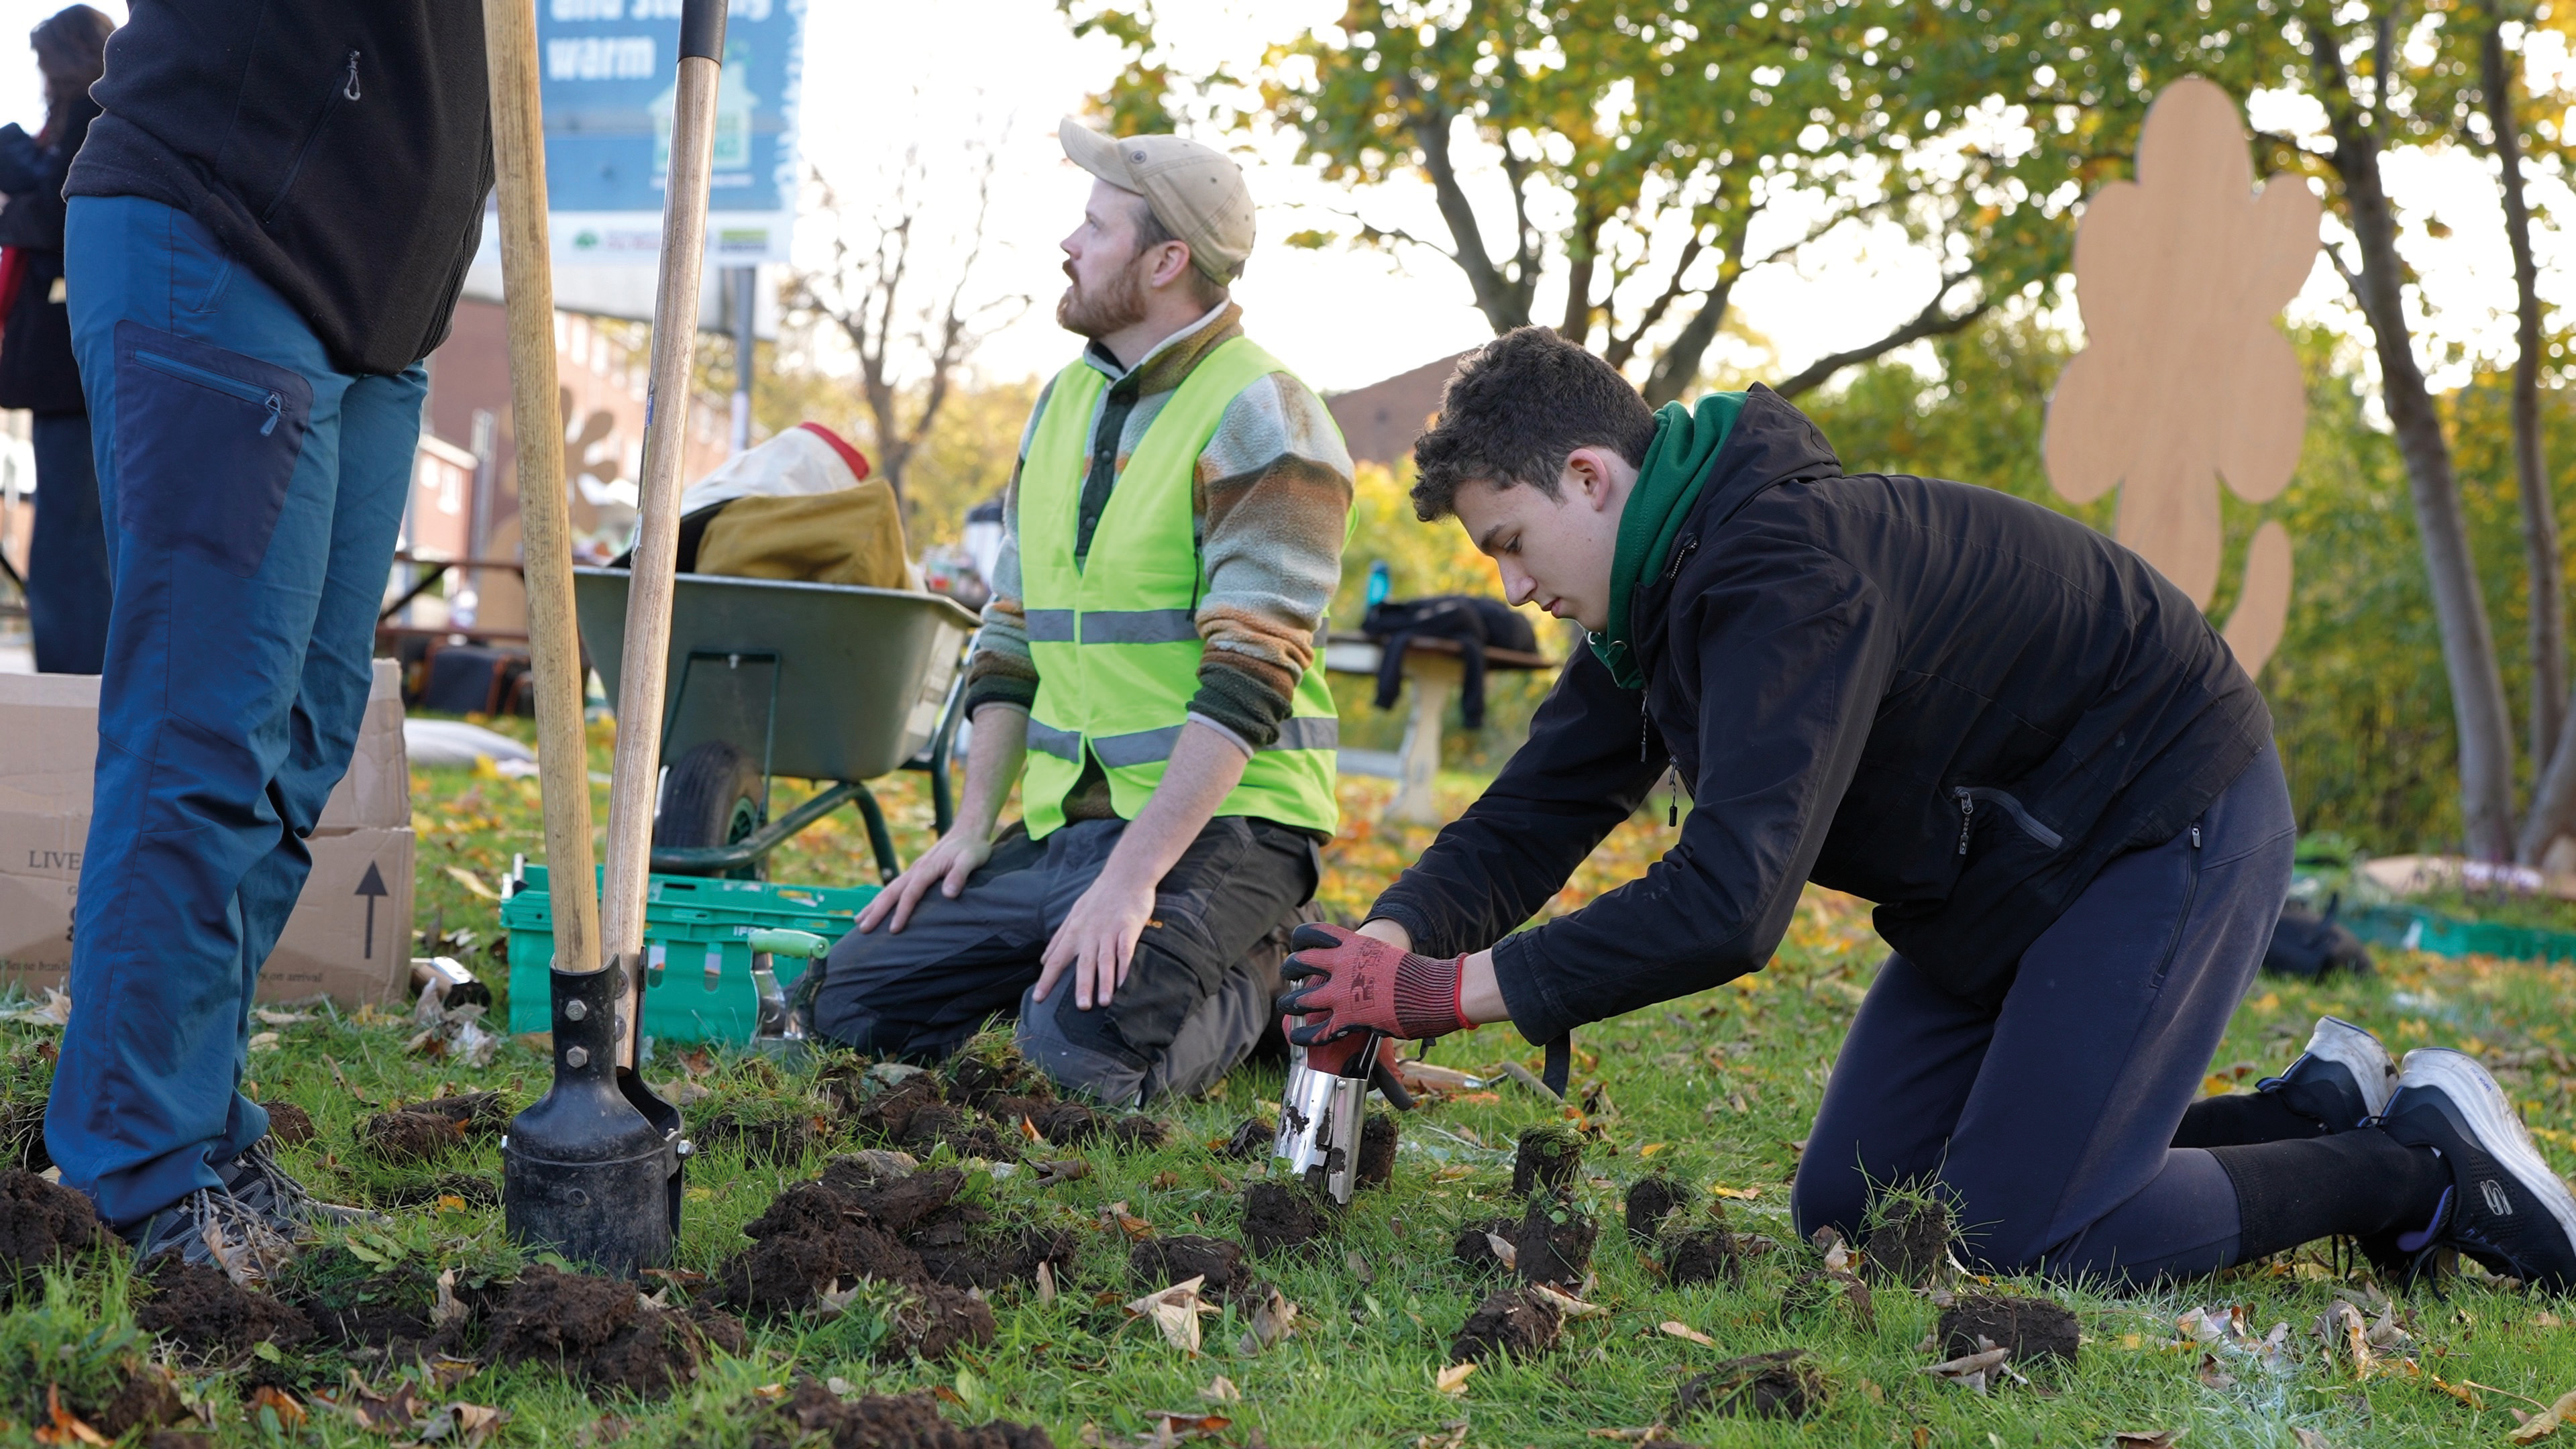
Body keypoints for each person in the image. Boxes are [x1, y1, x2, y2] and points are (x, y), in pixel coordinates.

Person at [1277, 326, 2576, 1291]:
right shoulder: (1660, 607)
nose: (1511, 587)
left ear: (1590, 477)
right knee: (1864, 1208)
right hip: (2006, 872)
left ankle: (2414, 1168)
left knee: (2015, 1240)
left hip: (2159, 815)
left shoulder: (1780, 578)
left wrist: (1454, 996)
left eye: (1508, 542)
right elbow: (1533, 814)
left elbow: (1730, 908)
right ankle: (2309, 1116)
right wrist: (1392, 941)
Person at [43, 3, 492, 1275]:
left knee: (299, 742)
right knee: (208, 732)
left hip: (379, 302)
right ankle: (131, 1174)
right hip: (227, 229)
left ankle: (192, 1127)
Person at [804, 117, 1354, 1106]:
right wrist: (970, 829)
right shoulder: (1063, 404)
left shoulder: (1267, 412)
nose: (1068, 243)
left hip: (1230, 828)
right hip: (1072, 829)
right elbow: (1010, 636)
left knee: (1073, 1076)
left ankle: (1265, 975)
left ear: (1165, 262)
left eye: (1095, 227)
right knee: (840, 1016)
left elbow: (1250, 675)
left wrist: (1135, 880)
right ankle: (1088, 962)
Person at [0, 6, 113, 674]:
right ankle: (79, 678)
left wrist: (17, 192)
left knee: (69, 542)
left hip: (71, 366)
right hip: (75, 366)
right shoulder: (91, 118)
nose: (41, 77)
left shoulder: (89, 116)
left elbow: (62, 212)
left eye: (45, 62)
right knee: (74, 537)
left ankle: (75, 684)